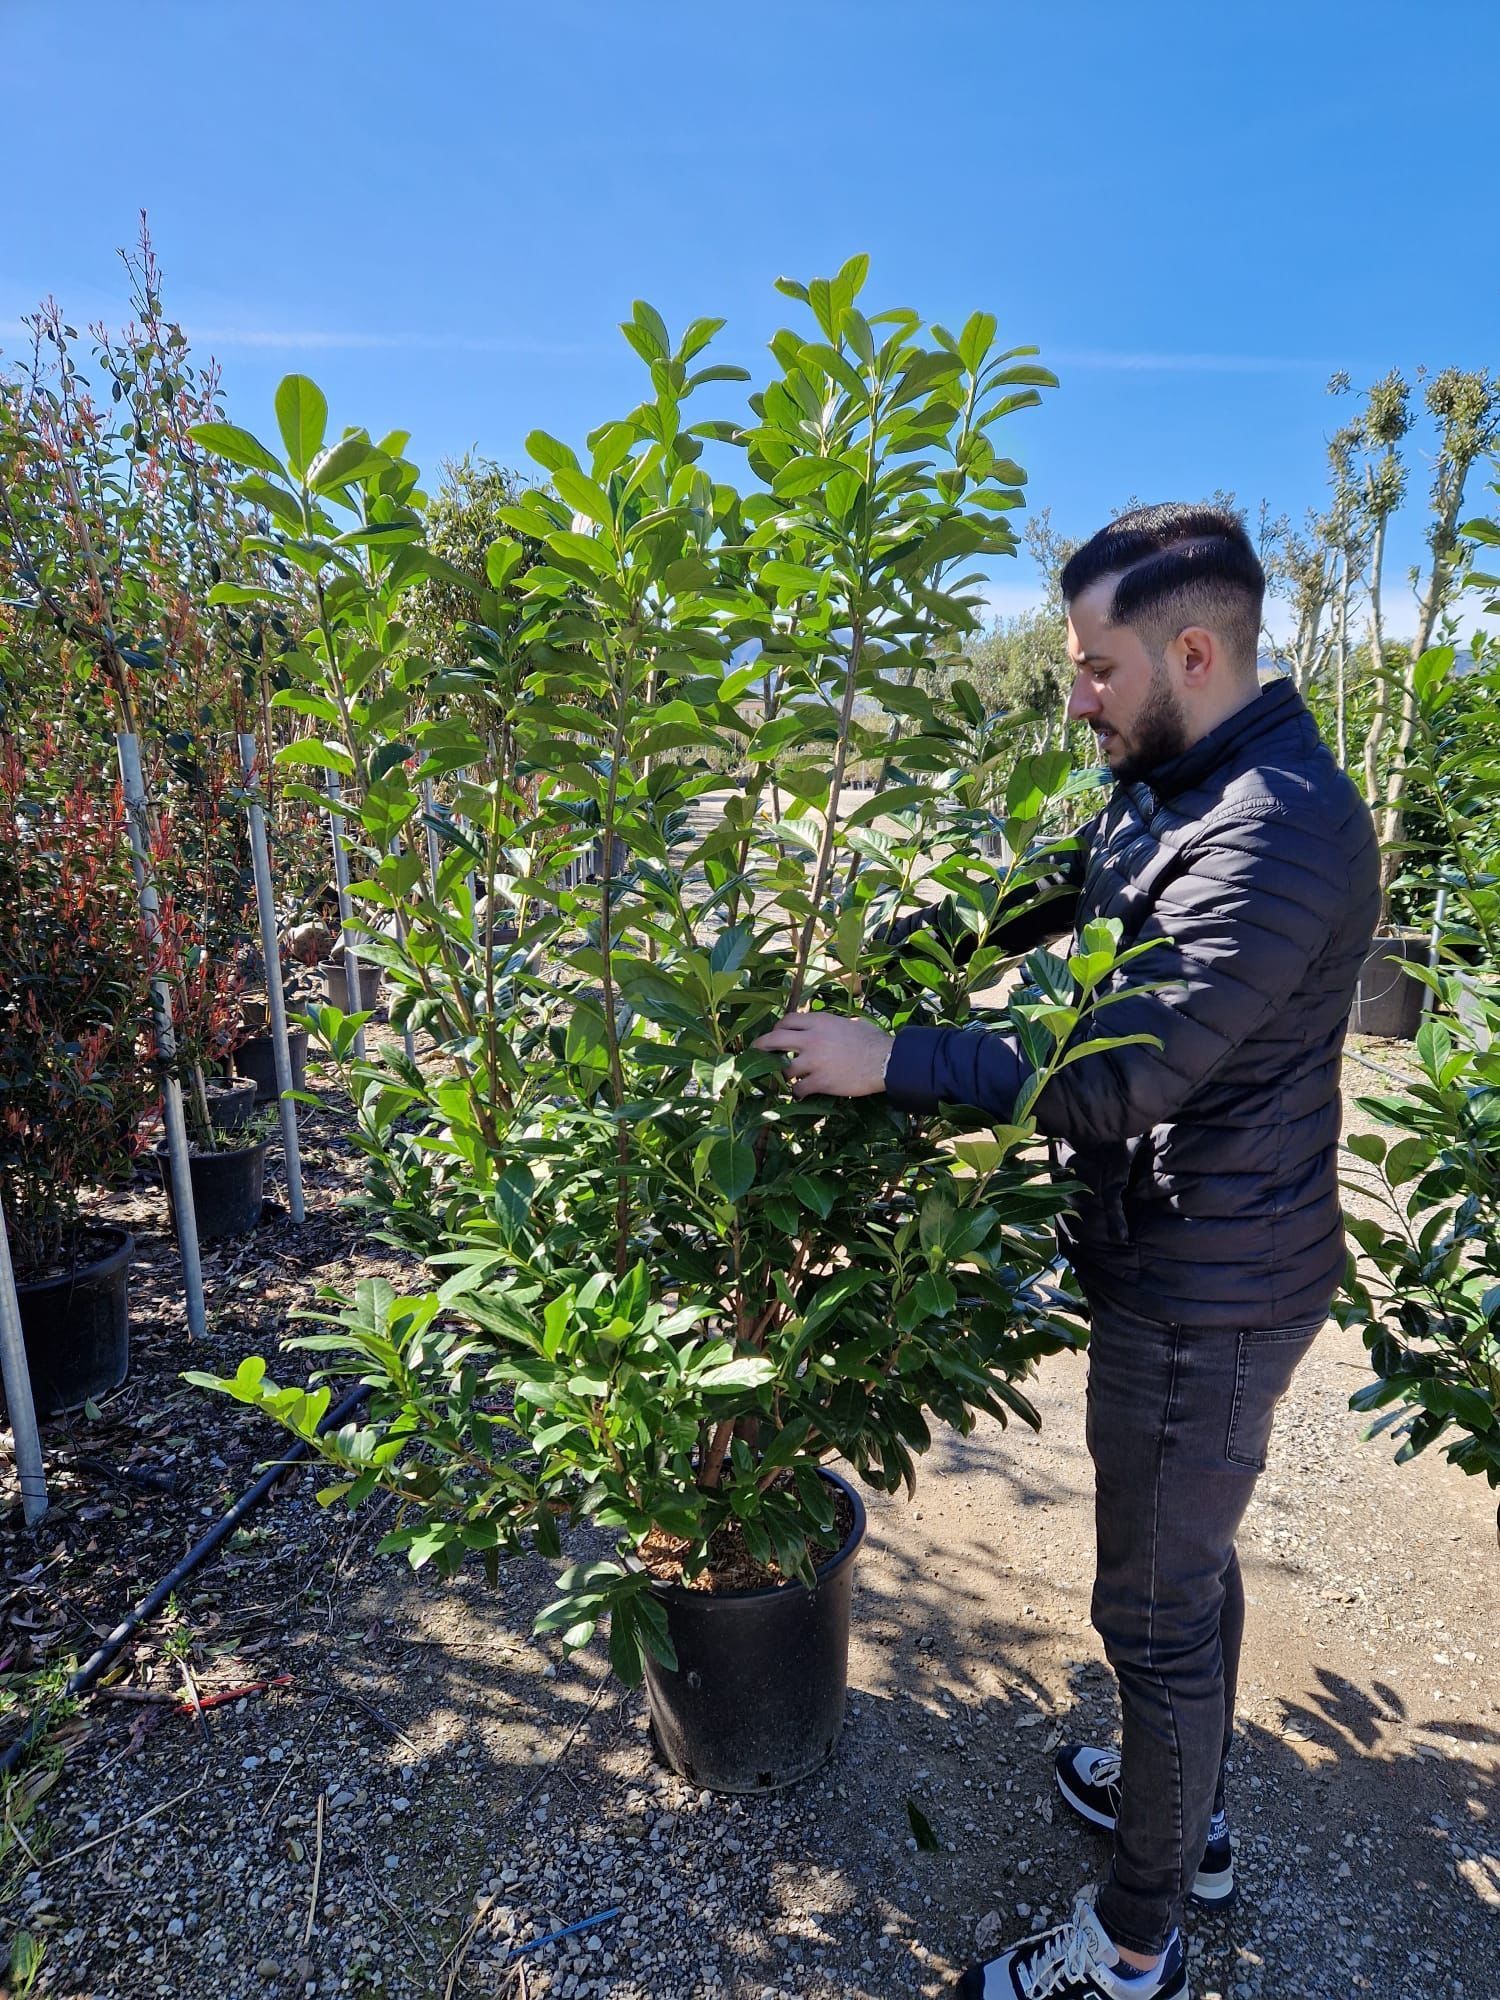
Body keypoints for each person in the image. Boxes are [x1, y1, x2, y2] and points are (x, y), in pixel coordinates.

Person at [754, 504, 1380, 2000]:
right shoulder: (1175, 779)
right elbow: (1056, 893)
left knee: (1149, 1613)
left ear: (1192, 647)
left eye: (1095, 668)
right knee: (1188, 1569)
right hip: (1181, 1257)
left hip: (1211, 1294)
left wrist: (891, 1053)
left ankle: (1138, 1937)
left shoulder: (1281, 824)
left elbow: (1118, 1074)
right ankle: (1199, 1813)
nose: (1076, 697)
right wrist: (905, 958)